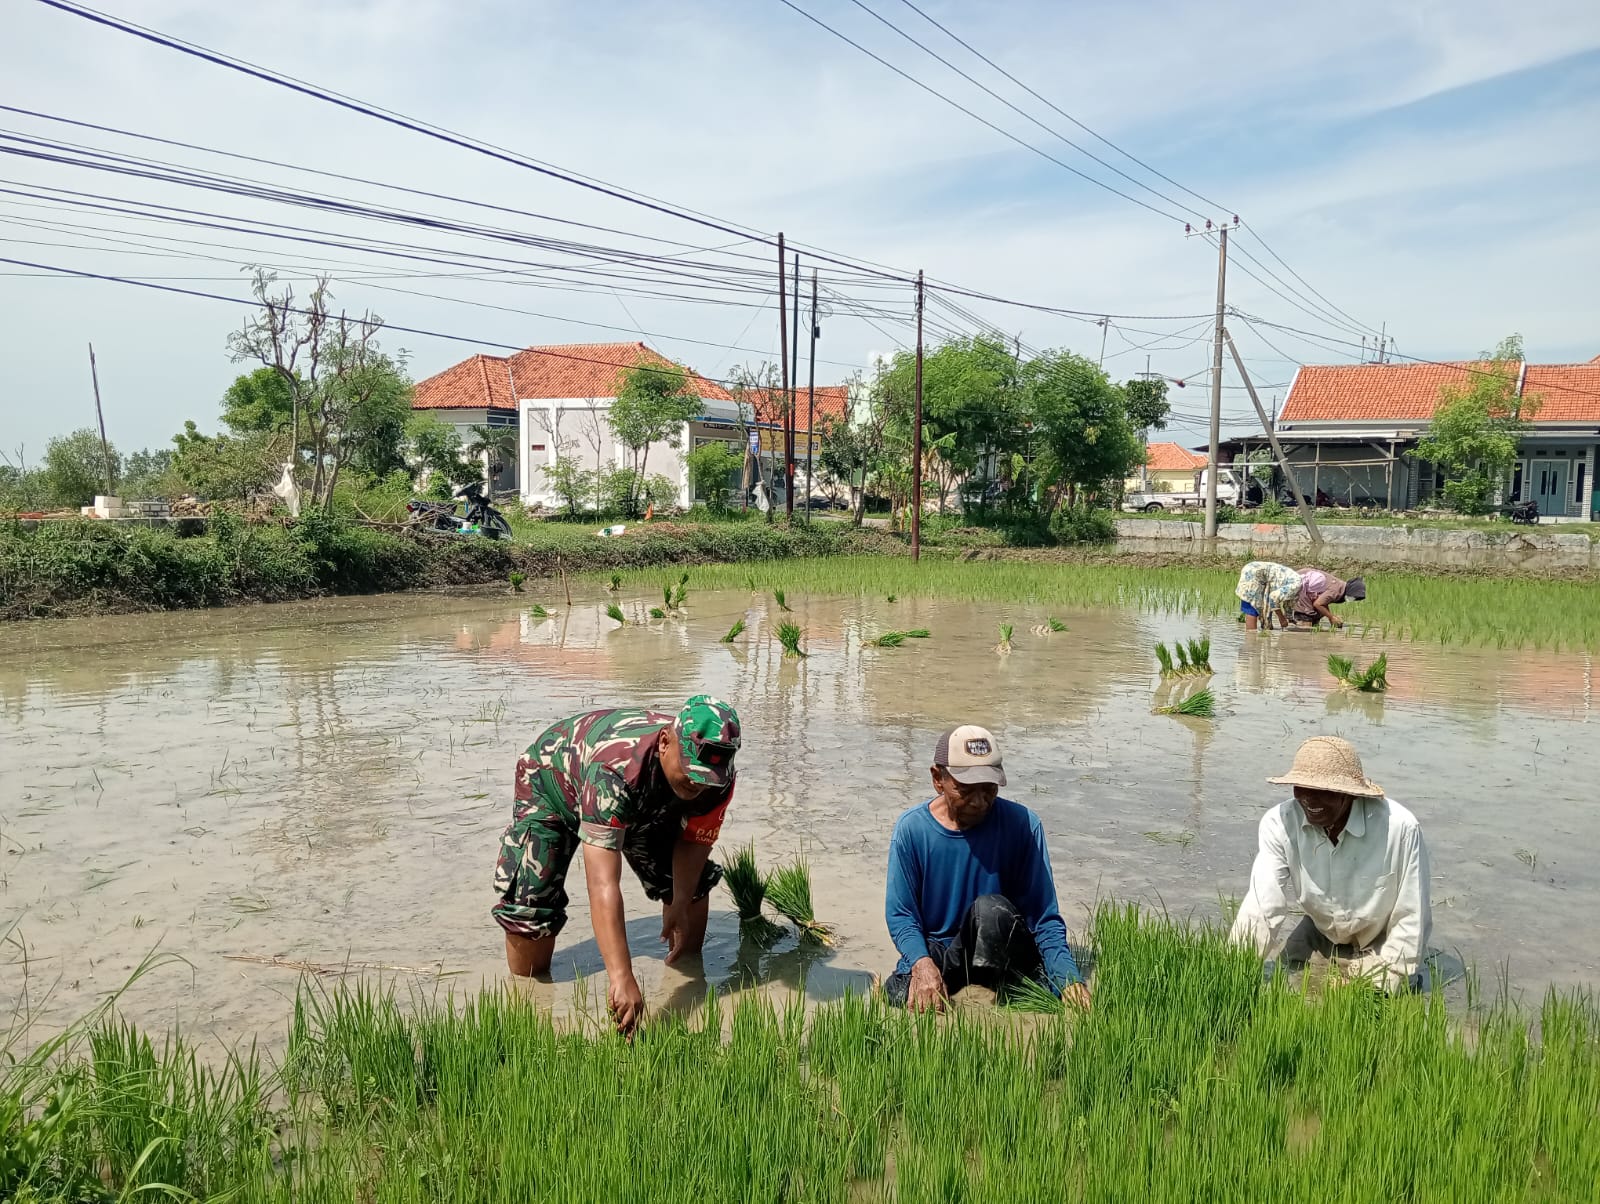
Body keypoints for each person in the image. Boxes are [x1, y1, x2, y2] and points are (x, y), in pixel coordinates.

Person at [492, 696, 741, 1034]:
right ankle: (526, 1013)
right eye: (692, 774)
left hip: (645, 795)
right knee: (532, 906)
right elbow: (603, 884)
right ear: (666, 743)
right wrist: (621, 977)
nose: (698, 785)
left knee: (693, 890)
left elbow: (694, 841)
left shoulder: (716, 777)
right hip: (551, 784)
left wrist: (679, 901)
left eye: (707, 779)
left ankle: (690, 989)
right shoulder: (615, 772)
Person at [884, 725, 1090, 1011]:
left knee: (989, 911)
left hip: (1004, 944)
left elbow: (1043, 917)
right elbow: (902, 915)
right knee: (900, 996)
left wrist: (1068, 978)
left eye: (989, 789)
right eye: (966, 790)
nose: (980, 802)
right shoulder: (912, 830)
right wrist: (921, 963)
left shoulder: (1023, 826)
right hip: (947, 950)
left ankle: (1011, 985)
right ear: (937, 779)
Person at [1230, 736, 1431, 992]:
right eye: (1302, 788)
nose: (1310, 800)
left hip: (1381, 939)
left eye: (1324, 791)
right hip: (1321, 930)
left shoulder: (1399, 828)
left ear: (1349, 794)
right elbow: (1262, 904)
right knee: (1286, 980)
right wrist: (1233, 967)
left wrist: (1394, 970)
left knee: (1367, 996)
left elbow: (1412, 913)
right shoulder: (1279, 823)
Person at [1235, 560, 1301, 632]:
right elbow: (1273, 597)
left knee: (1253, 604)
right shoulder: (1296, 585)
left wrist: (1289, 618)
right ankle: (1251, 637)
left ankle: (1255, 633)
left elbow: (1286, 604)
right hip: (1255, 573)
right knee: (1252, 607)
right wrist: (1281, 618)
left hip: (1252, 568)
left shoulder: (1295, 581)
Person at [1291, 569, 1365, 629]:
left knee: (1317, 615)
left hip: (1302, 584)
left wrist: (1330, 617)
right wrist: (1331, 617)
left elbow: (1322, 602)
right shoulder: (1336, 591)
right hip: (1299, 585)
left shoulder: (1339, 586)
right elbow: (1318, 604)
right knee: (1306, 621)